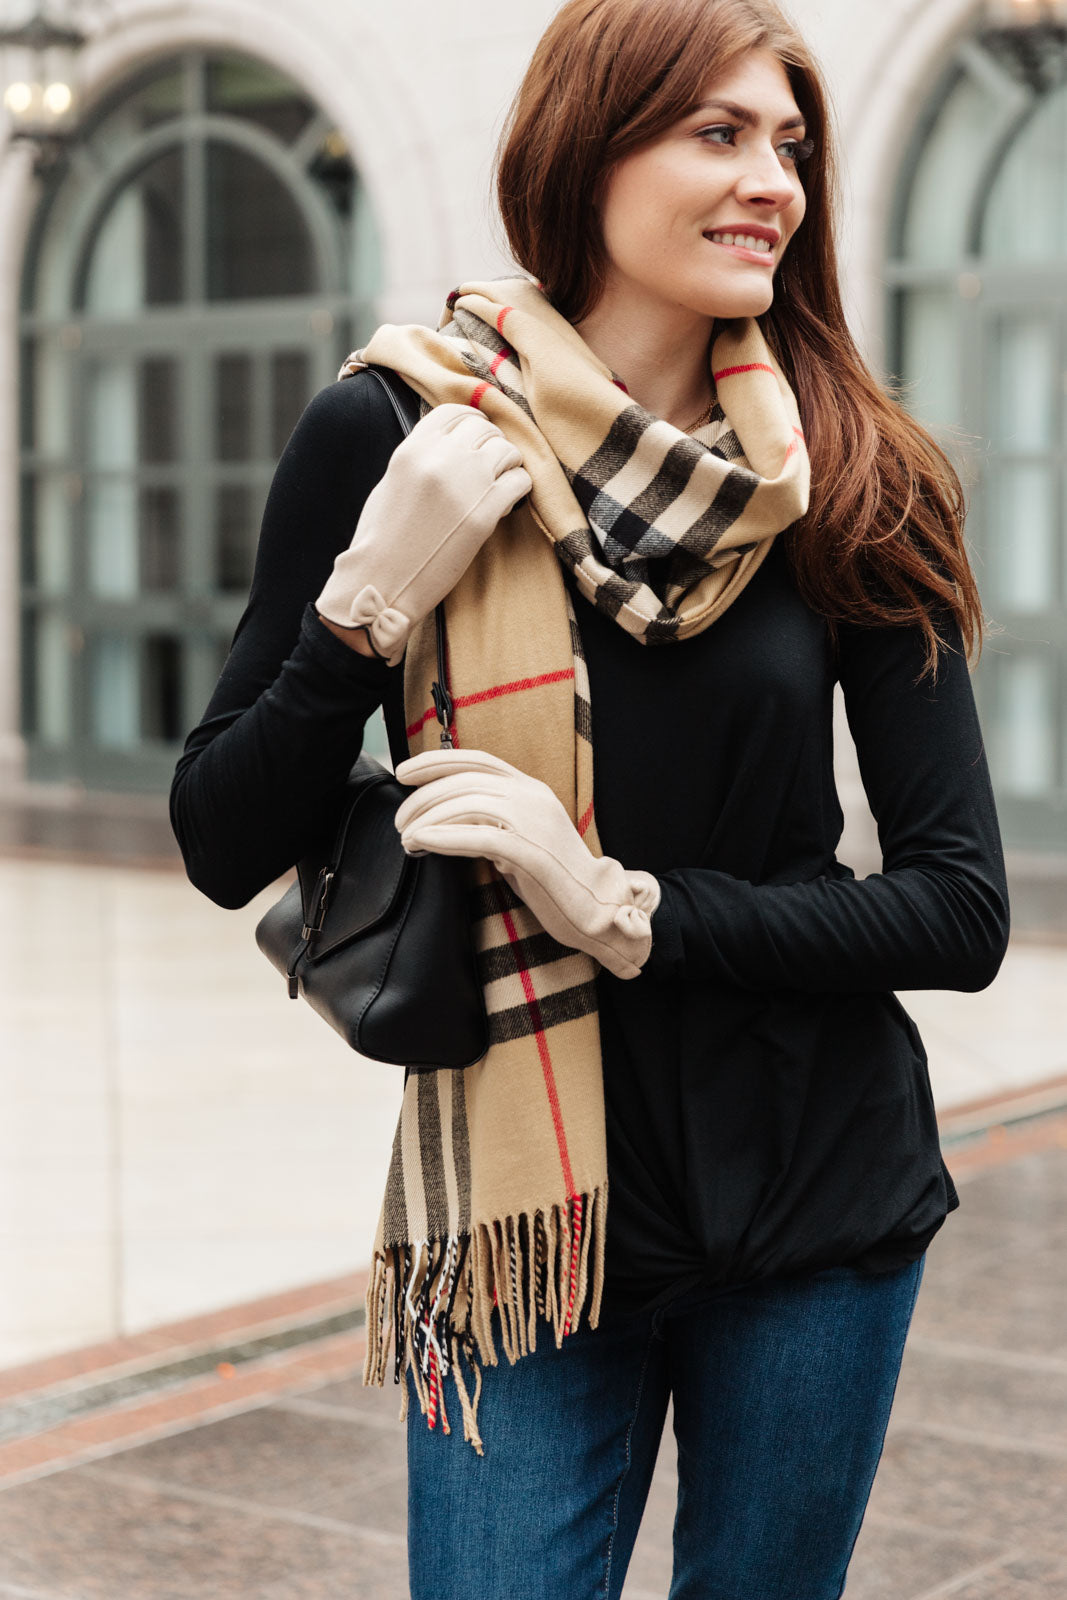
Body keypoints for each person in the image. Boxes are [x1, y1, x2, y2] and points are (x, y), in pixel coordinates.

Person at [170, 0, 1010, 1594]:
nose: (775, 179)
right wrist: (367, 605)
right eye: (719, 133)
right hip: (519, 1221)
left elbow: (960, 908)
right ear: (586, 150)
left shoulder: (850, 469)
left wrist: (620, 904)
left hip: (815, 1191)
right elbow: (221, 835)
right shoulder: (396, 428)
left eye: (791, 144)